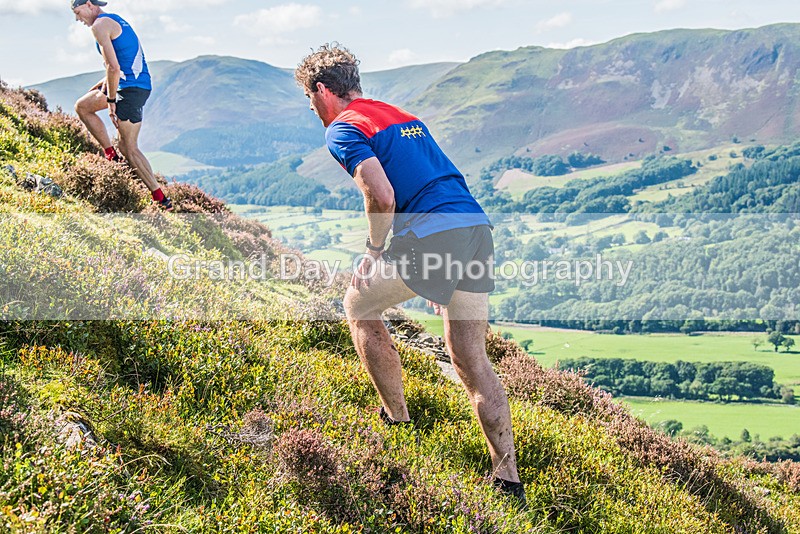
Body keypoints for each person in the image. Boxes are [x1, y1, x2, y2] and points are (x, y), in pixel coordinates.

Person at [295, 44, 525, 504]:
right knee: (471, 359)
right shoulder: (401, 114)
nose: (315, 111)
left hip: (435, 235)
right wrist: (448, 266)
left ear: (323, 91)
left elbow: (381, 195)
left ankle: (397, 422)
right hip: (475, 228)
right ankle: (508, 479)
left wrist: (374, 251)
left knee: (357, 304)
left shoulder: (343, 127)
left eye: (311, 100)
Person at [71, 0, 172, 211]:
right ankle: (112, 156)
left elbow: (113, 67)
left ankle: (160, 198)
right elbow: (117, 65)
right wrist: (100, 89)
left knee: (129, 147)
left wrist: (110, 101)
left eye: (77, 12)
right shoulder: (112, 20)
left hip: (131, 89)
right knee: (83, 106)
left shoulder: (99, 26)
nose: (77, 19)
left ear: (88, 4)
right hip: (129, 84)